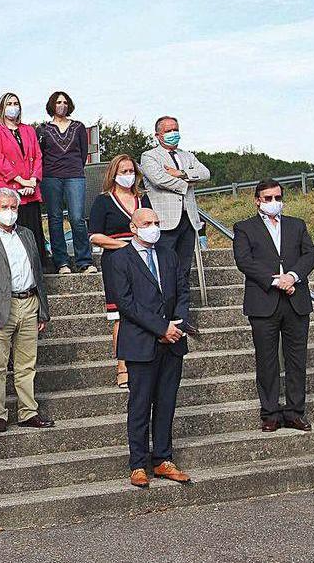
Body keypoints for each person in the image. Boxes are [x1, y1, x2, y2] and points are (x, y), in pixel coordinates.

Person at [104, 207, 191, 489]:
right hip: (141, 343)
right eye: (147, 223)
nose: (153, 227)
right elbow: (126, 303)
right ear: (133, 227)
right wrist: (160, 328)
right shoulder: (119, 259)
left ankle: (163, 458)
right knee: (140, 406)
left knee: (166, 403)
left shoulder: (168, 254)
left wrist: (176, 324)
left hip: (173, 342)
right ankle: (138, 463)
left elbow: (182, 291)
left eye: (156, 222)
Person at [233, 179, 314, 432]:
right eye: (268, 198)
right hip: (263, 301)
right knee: (267, 360)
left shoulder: (297, 225)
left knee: (296, 359)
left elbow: (310, 255)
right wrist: (275, 281)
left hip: (296, 300)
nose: (273, 203)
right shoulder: (245, 228)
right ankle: (270, 413)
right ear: (258, 200)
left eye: (277, 198)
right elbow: (244, 261)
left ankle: (294, 412)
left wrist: (292, 276)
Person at [0, 188, 52, 432]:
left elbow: (38, 274)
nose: (10, 212)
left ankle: (28, 411)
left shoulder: (27, 234)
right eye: (4, 207)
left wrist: (42, 310)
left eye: (13, 207)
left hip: (29, 302)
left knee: (27, 364)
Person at [88, 155, 152, 389]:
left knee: (148, 309)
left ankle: (147, 361)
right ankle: (122, 366)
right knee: (120, 315)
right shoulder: (103, 201)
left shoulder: (142, 200)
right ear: (113, 174)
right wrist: (126, 246)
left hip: (145, 260)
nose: (128, 175)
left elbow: (152, 225)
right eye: (123, 171)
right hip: (116, 261)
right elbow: (94, 235)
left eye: (131, 170)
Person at [139, 116, 210, 288]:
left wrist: (180, 173)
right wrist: (187, 184)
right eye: (168, 131)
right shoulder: (149, 156)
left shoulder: (188, 156)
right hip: (165, 221)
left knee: (184, 269)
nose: (173, 133)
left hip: (188, 219)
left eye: (175, 130)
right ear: (158, 135)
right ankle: (165, 307)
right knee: (165, 268)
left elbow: (205, 173)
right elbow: (159, 180)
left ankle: (182, 310)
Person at [0, 92, 48, 271]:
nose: (13, 106)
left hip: (31, 190)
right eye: (9, 103)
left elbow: (37, 156)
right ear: (1, 108)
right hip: (9, 190)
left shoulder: (28, 129)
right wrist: (21, 182)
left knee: (33, 232)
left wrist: (33, 180)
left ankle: (38, 270)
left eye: (16, 103)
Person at [37, 91, 93, 274]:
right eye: (59, 102)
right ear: (52, 105)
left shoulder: (78, 127)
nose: (62, 105)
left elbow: (83, 153)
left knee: (77, 218)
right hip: (51, 176)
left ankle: (84, 260)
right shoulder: (43, 129)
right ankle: (62, 262)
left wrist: (74, 168)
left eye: (65, 102)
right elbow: (40, 155)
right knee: (55, 218)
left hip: (74, 175)